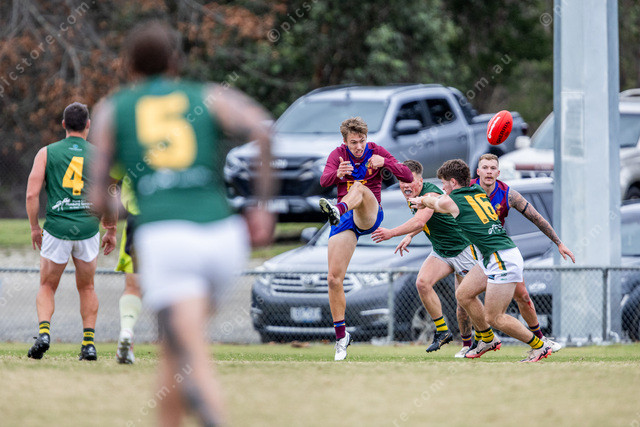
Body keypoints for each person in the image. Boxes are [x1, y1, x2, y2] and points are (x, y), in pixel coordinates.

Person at [88, 22, 274, 427]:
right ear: (175, 62)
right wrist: (262, 207)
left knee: (190, 353)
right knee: (174, 348)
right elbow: (262, 129)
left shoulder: (113, 109)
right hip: (224, 237)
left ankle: (209, 407)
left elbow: (98, 195)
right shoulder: (209, 96)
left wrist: (121, 208)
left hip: (168, 238)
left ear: (128, 65)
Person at [409, 159, 553, 362]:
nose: (443, 188)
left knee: (495, 317)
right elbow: (442, 200)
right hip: (492, 255)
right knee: (463, 294)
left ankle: (540, 346)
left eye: (444, 184)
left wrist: (422, 200)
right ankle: (487, 339)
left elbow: (436, 203)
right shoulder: (476, 191)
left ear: (453, 182)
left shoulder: (454, 200)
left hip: (501, 257)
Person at [25, 102, 117, 361]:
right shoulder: (100, 155)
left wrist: (34, 227)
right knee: (87, 287)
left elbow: (31, 194)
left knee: (47, 285)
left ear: (64, 124)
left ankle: (44, 334)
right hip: (87, 229)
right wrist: (111, 229)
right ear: (88, 125)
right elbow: (110, 194)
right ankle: (88, 345)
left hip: (57, 230)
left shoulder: (46, 152)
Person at [318, 117, 413, 361]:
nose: (359, 146)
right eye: (353, 142)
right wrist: (337, 173)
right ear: (345, 141)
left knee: (359, 189)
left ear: (366, 139)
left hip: (370, 213)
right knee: (333, 279)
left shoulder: (376, 151)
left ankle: (338, 209)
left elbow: (408, 176)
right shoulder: (337, 155)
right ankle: (341, 337)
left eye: (362, 141)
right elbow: (323, 181)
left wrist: (386, 163)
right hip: (346, 221)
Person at [371, 160, 478, 357]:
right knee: (422, 283)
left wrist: (391, 233)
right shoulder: (411, 194)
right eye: (402, 181)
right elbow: (425, 221)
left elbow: (420, 220)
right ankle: (443, 332)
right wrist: (409, 235)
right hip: (441, 251)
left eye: (409, 180)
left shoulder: (429, 195)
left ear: (420, 181)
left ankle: (484, 339)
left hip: (462, 249)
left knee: (465, 302)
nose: (405, 185)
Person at [473, 153, 575, 352]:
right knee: (464, 296)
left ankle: (540, 340)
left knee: (523, 296)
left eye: (493, 168)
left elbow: (536, 218)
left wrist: (558, 242)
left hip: (499, 253)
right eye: (485, 168)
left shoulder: (508, 194)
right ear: (478, 171)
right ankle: (478, 340)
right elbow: (443, 199)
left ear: (498, 172)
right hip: (474, 252)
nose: (489, 172)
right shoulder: (467, 190)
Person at [112, 174, 142, 364]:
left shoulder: (133, 156)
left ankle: (127, 331)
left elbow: (109, 180)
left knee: (133, 288)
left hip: (138, 221)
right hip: (173, 222)